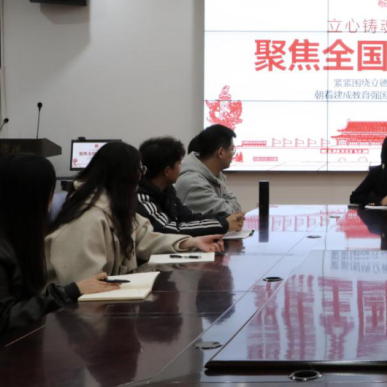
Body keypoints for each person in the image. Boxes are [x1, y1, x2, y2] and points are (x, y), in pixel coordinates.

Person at [46, 142, 223, 285]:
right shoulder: (87, 218)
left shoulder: (114, 207)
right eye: (139, 172)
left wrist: (191, 242)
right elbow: (84, 285)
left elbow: (145, 238)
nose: (140, 179)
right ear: (124, 177)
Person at [0, 154, 120, 334]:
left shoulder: (20, 237)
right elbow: (5, 318)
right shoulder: (6, 247)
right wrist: (70, 291)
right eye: (50, 191)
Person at [138, 137, 244, 237]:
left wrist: (225, 217)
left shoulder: (167, 191)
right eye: (179, 164)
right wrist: (223, 224)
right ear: (167, 171)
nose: (181, 168)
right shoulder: (141, 198)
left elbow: (189, 217)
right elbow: (168, 229)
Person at [175, 125, 242, 217]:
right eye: (232, 149)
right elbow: (227, 214)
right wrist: (231, 209)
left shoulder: (216, 174)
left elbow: (236, 205)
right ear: (221, 152)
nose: (233, 154)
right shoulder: (194, 183)